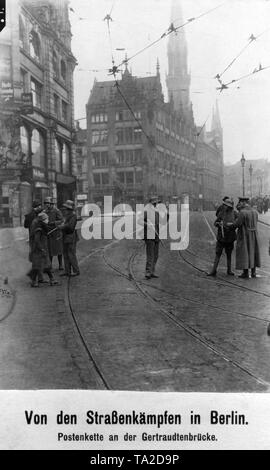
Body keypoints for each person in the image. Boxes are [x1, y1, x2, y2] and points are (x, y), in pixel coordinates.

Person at [227, 197, 261, 278]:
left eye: (239, 203)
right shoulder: (255, 212)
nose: (238, 204)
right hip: (254, 235)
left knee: (244, 252)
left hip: (245, 235)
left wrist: (230, 225)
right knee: (253, 252)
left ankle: (245, 273)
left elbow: (237, 224)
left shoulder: (242, 212)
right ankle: (253, 273)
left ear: (243, 202)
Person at [207, 198, 238, 276]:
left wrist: (232, 225)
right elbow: (215, 223)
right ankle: (213, 270)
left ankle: (229, 270)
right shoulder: (221, 213)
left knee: (229, 254)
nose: (225, 207)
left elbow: (238, 223)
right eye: (224, 205)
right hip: (221, 237)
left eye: (227, 206)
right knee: (218, 254)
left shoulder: (234, 213)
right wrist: (218, 224)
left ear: (230, 206)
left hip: (230, 237)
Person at [28, 212, 59, 287]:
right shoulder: (39, 229)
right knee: (39, 266)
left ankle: (50, 280)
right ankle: (35, 282)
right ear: (43, 220)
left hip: (42, 249)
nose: (48, 220)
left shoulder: (43, 226)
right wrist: (41, 248)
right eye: (47, 218)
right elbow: (37, 240)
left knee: (45, 265)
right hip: (39, 250)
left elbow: (47, 231)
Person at [143, 195, 168, 280]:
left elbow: (163, 222)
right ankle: (148, 272)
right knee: (150, 255)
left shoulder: (157, 212)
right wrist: (148, 224)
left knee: (156, 255)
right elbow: (140, 221)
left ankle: (152, 271)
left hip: (157, 235)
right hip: (149, 236)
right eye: (156, 203)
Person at [59, 200, 80, 277]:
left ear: (69, 209)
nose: (65, 210)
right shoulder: (67, 216)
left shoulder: (73, 216)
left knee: (71, 254)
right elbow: (65, 224)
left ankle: (76, 271)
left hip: (71, 237)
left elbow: (70, 227)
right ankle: (67, 271)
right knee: (65, 254)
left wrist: (62, 226)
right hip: (65, 237)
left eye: (66, 208)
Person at [44, 196, 64, 270]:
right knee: (50, 250)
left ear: (52, 204)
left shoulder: (57, 211)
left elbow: (61, 220)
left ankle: (60, 265)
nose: (47, 205)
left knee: (59, 250)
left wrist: (53, 223)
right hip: (49, 233)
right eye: (45, 203)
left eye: (48, 203)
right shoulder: (45, 212)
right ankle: (50, 265)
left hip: (56, 232)